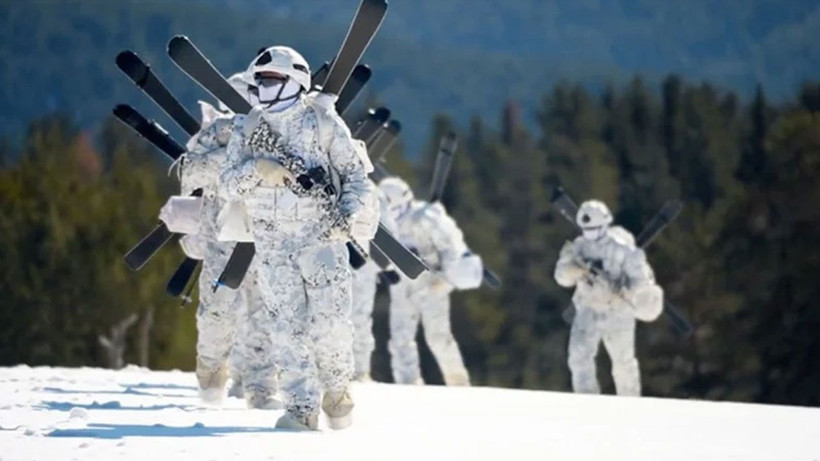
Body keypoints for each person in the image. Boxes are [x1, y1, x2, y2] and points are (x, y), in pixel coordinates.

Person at [218, 45, 378, 430]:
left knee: (331, 327)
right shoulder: (247, 128)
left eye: (271, 80)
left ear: (295, 80)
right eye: (259, 81)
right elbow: (226, 185)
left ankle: (337, 394)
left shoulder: (322, 122)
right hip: (273, 246)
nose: (262, 87)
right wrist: (258, 168)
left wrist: (347, 214)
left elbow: (356, 177)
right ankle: (300, 410)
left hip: (321, 240)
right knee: (287, 329)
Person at [379, 177, 483, 386]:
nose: (394, 217)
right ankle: (407, 384)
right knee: (400, 338)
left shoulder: (427, 218)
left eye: (396, 211)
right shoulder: (382, 224)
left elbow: (452, 248)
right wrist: (384, 270)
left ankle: (458, 382)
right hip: (402, 285)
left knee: (438, 337)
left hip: (432, 283)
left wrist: (446, 278)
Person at [554, 200, 664, 396]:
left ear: (605, 226)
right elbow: (561, 276)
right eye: (586, 230)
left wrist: (622, 287)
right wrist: (576, 270)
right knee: (579, 358)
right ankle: (587, 401)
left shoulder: (624, 251)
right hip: (588, 310)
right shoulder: (578, 247)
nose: (590, 235)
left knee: (623, 363)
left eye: (594, 229)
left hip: (618, 312)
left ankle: (629, 404)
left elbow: (642, 281)